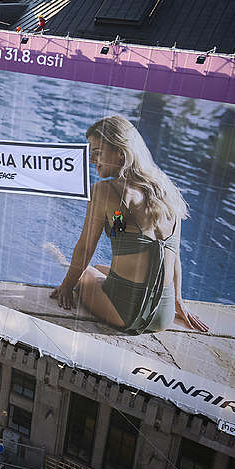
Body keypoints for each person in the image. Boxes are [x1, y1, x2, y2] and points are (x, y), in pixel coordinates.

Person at [49, 115, 208, 334]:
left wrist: (67, 286)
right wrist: (179, 302)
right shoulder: (166, 191)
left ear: (121, 153)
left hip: (125, 314)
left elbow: (86, 248)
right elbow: (175, 256)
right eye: (90, 153)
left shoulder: (103, 191)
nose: (92, 160)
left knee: (86, 272)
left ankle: (55, 255)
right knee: (101, 268)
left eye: (98, 153)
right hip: (164, 314)